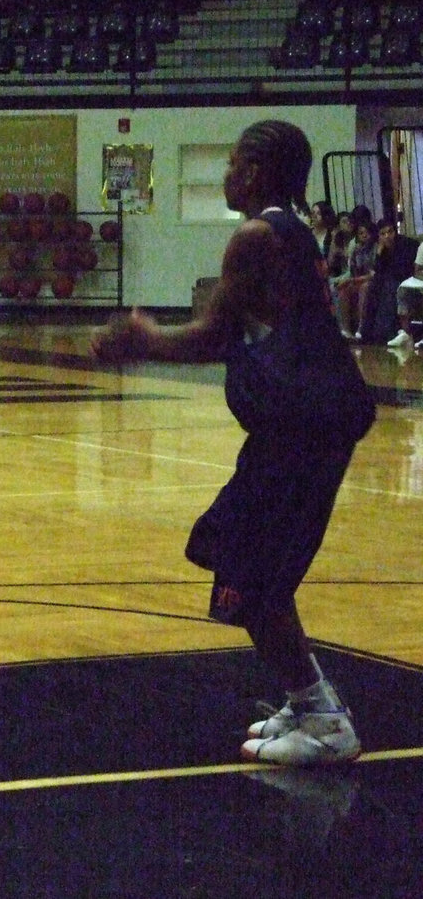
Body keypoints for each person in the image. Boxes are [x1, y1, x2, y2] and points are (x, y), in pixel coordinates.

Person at [92, 120, 375, 766]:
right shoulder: (289, 233)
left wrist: (143, 340)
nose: (225, 175)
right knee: (235, 556)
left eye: (233, 163)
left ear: (253, 170)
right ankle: (307, 702)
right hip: (296, 431)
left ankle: (325, 720)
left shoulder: (254, 237)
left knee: (252, 579)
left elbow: (215, 334)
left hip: (301, 433)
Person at [364, 218, 418, 345]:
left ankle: (385, 332)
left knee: (389, 286)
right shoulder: (383, 250)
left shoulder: (407, 245)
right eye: (383, 234)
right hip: (390, 281)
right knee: (372, 287)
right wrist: (378, 253)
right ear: (379, 236)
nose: (387, 236)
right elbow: (377, 272)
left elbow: (404, 270)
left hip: (408, 281)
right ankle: (367, 332)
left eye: (390, 232)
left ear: (395, 232)